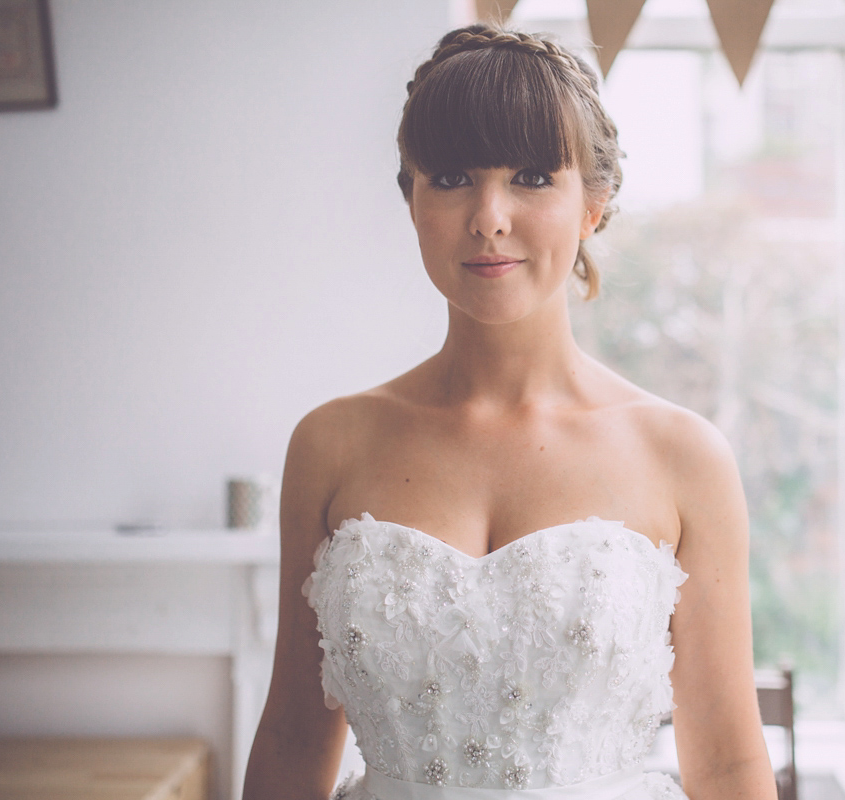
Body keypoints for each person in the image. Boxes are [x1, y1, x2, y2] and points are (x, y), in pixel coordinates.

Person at [242, 23, 777, 800]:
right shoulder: (330, 444)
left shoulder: (683, 456)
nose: (489, 216)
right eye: (452, 177)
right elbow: (293, 739)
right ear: (412, 199)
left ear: (592, 205)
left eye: (530, 176)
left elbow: (728, 763)